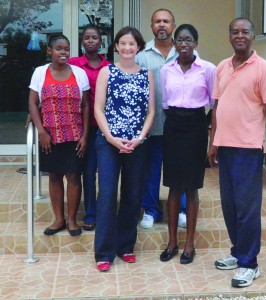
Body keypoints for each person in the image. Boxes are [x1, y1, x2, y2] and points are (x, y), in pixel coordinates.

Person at [208, 18, 266, 288]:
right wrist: (213, 142)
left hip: (249, 149)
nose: (240, 35)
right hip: (225, 147)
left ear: (253, 36)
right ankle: (238, 253)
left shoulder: (264, 68)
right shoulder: (222, 67)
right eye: (235, 32)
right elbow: (217, 107)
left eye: (245, 32)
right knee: (230, 206)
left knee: (247, 210)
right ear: (229, 36)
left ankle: (250, 264)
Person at [93, 26, 155, 272]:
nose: (127, 48)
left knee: (132, 194)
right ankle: (104, 252)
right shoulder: (106, 72)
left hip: (137, 145)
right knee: (107, 194)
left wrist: (139, 138)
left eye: (132, 44)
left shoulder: (146, 74)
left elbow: (151, 111)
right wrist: (110, 137)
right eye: (123, 43)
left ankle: (126, 246)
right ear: (116, 47)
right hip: (108, 143)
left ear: (138, 47)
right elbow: (99, 108)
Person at [159, 24, 216, 264]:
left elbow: (215, 104)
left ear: (196, 43)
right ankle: (172, 242)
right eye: (180, 40)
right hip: (172, 125)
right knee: (173, 186)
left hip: (196, 126)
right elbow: (164, 102)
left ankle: (189, 244)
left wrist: (213, 138)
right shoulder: (165, 70)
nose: (184, 44)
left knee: (191, 186)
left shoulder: (208, 69)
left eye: (189, 39)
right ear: (174, 43)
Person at [28, 34, 90, 237]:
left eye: (66, 48)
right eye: (58, 48)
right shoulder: (40, 73)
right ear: (49, 51)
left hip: (74, 133)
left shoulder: (79, 73)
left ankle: (72, 220)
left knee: (73, 176)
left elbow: (86, 106)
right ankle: (59, 219)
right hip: (49, 136)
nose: (63, 52)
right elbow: (33, 103)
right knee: (54, 176)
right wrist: (41, 131)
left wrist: (85, 136)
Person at [136, 8, 187, 229]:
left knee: (179, 169)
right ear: (151, 26)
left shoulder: (186, 51)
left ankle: (183, 209)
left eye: (166, 21)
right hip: (152, 125)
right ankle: (151, 210)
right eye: (157, 21)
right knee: (151, 170)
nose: (162, 25)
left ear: (173, 25)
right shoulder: (142, 55)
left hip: (179, 125)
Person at [68, 24, 110, 231]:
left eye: (94, 37)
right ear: (82, 41)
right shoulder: (73, 64)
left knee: (106, 172)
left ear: (101, 41)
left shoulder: (110, 66)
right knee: (88, 171)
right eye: (86, 37)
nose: (91, 41)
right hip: (83, 127)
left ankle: (105, 212)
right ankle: (91, 213)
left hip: (105, 128)